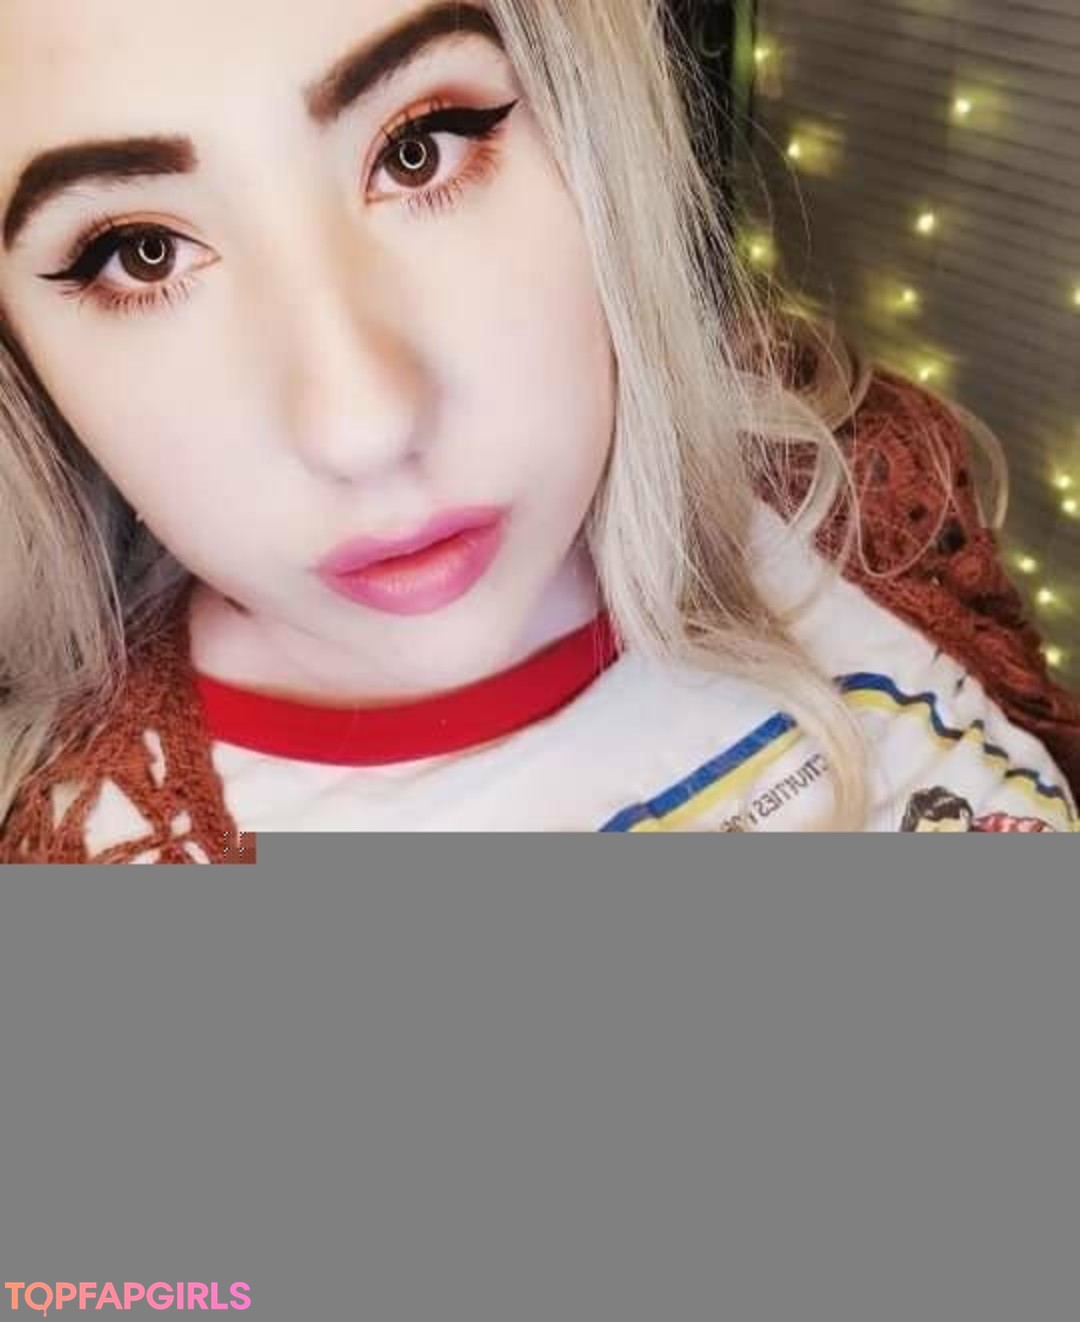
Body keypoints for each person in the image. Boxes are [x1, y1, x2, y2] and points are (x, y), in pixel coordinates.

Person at [0, 0, 1076, 860]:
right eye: (138, 252)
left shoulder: (854, 473)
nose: (364, 425)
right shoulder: (103, 847)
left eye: (418, 149)